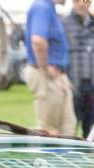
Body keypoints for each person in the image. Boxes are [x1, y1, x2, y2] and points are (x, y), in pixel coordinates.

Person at [23, 0, 74, 137]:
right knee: (50, 132)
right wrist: (45, 68)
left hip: (55, 75)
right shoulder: (42, 6)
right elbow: (38, 40)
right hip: (46, 74)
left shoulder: (48, 8)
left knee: (67, 130)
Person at [63, 0, 94, 136]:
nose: (81, 4)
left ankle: (90, 153)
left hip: (93, 84)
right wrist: (63, 77)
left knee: (91, 126)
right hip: (72, 83)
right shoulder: (64, 24)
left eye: (85, 1)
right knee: (70, 126)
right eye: (77, 1)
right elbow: (59, 52)